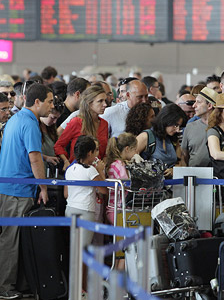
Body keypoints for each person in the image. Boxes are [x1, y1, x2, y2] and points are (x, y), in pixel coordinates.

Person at [0, 83, 52, 299]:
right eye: (50, 101)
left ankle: (12, 284)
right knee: (11, 240)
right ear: (37, 102)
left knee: (13, 238)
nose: (52, 106)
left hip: (10, 186)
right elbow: (34, 157)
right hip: (17, 189)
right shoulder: (29, 123)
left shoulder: (16, 119)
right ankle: (4, 286)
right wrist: (43, 187)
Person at [64, 135, 108, 297]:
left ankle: (78, 287)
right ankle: (80, 288)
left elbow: (66, 194)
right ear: (89, 153)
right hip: (85, 213)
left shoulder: (70, 169)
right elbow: (104, 190)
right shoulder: (90, 171)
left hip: (70, 211)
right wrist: (101, 170)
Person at [55, 86, 109, 169]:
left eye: (105, 100)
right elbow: (58, 145)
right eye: (100, 101)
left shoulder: (104, 124)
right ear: (89, 103)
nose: (105, 104)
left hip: (98, 172)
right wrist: (66, 161)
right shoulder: (76, 122)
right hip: (79, 171)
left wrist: (104, 165)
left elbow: (104, 151)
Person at [136, 104, 187, 177]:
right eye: (175, 125)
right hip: (148, 184)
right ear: (166, 120)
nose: (177, 129)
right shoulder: (146, 136)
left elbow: (181, 163)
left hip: (170, 184)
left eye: (179, 126)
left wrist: (173, 170)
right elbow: (129, 159)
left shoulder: (173, 139)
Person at [104, 133, 138, 226]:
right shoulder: (120, 165)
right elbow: (127, 184)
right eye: (135, 150)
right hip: (119, 208)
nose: (136, 153)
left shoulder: (113, 163)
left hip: (113, 208)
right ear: (127, 149)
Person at [182, 87, 218, 167]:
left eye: (198, 102)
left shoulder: (221, 127)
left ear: (209, 105)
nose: (194, 106)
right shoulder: (190, 127)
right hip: (195, 175)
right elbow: (184, 154)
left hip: (217, 176)